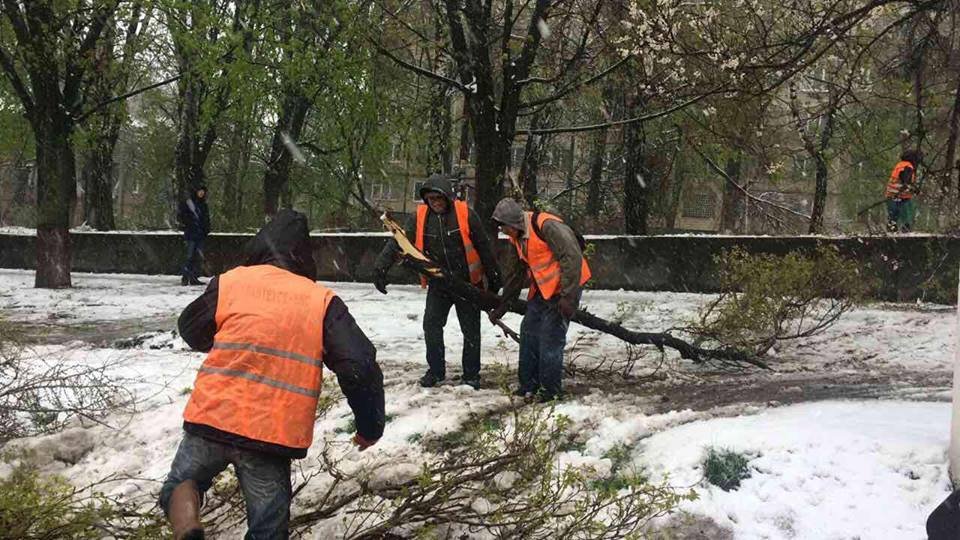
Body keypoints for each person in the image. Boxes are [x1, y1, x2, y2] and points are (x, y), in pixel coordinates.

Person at [160, 209, 385, 540]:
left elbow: (190, 329)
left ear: (260, 245)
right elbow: (359, 365)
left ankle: (188, 525)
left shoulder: (231, 282)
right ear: (305, 255)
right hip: (270, 436)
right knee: (268, 527)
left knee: (180, 485)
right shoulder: (321, 302)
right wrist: (370, 426)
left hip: (212, 419)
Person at [373, 173, 501, 390]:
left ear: (448, 197)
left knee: (470, 330)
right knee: (431, 325)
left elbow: (484, 248)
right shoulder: (420, 217)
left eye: (439, 198)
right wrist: (380, 268)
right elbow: (399, 241)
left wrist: (495, 279)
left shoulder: (466, 215)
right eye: (431, 199)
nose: (435, 203)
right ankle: (435, 371)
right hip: (439, 283)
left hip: (468, 284)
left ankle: (471, 375)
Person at [488, 198, 591, 403]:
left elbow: (572, 257)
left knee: (550, 339)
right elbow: (515, 275)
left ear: (515, 223)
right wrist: (503, 306)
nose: (503, 232)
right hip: (543, 291)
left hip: (564, 290)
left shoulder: (547, 226)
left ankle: (550, 391)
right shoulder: (517, 238)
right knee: (529, 333)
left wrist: (568, 297)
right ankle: (528, 385)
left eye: (504, 227)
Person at [177, 185, 211, 285]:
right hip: (191, 234)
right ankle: (185, 277)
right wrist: (189, 225)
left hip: (199, 234)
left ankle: (193, 277)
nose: (202, 193)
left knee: (197, 257)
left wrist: (206, 229)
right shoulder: (188, 204)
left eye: (203, 192)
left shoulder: (203, 204)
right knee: (189, 256)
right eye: (200, 191)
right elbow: (182, 217)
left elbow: (206, 219)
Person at [884, 150, 920, 233]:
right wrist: (914, 190)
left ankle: (891, 233)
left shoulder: (900, 165)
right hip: (901, 196)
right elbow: (906, 181)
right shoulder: (908, 167)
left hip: (891, 194)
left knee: (893, 217)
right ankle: (906, 232)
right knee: (906, 216)